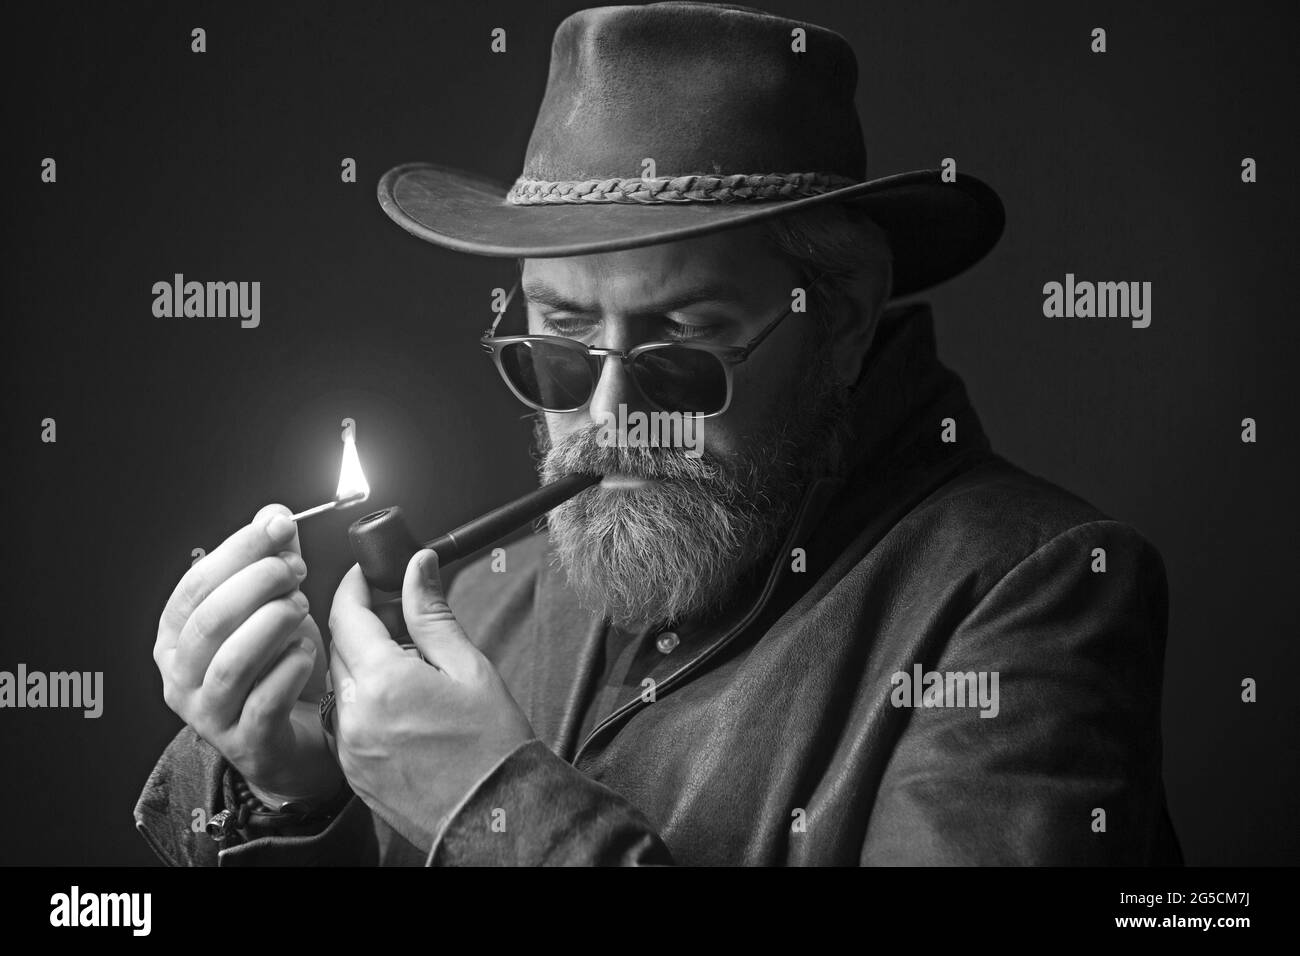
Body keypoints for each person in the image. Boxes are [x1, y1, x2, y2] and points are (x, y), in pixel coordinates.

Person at [137, 1, 1181, 865]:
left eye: (680, 350)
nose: (602, 418)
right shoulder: (486, 599)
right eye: (555, 344)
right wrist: (297, 790)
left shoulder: (1033, 596)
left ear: (847, 312)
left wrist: (495, 807)